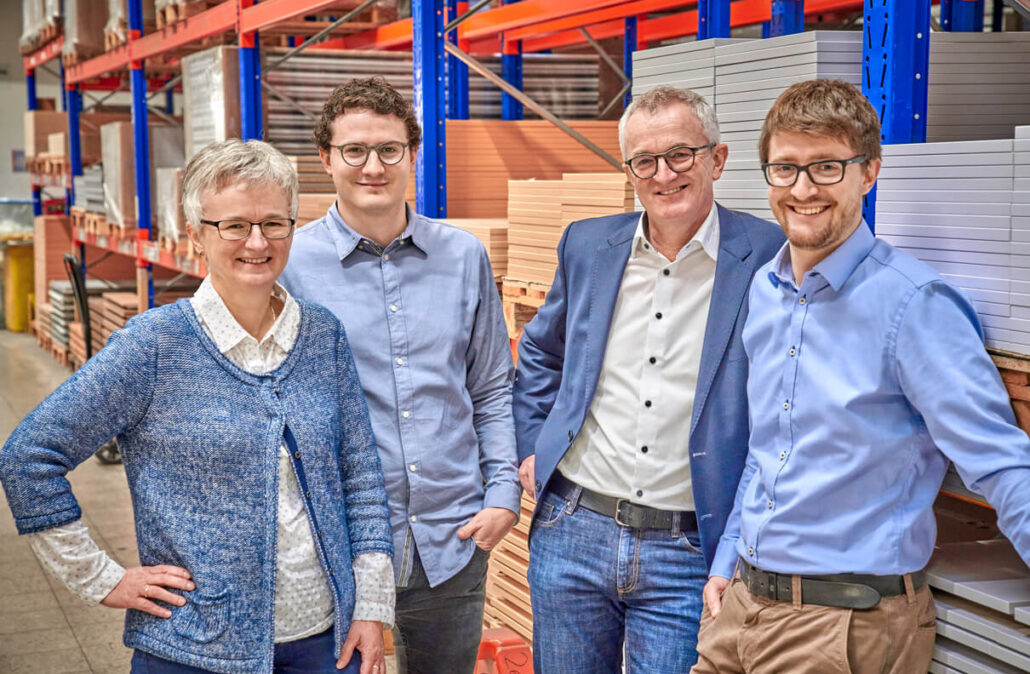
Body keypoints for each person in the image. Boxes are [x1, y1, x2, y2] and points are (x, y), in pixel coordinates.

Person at [0, 139, 394, 674]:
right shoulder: (155, 346)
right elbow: (28, 457)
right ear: (195, 235)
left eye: (273, 223)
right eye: (234, 225)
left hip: (326, 643)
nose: (257, 242)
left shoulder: (323, 335)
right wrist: (101, 578)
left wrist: (370, 606)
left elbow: (361, 476)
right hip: (195, 648)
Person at [692, 79, 1030, 674]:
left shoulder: (915, 305)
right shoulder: (766, 291)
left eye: (826, 167)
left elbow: (1000, 463)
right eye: (785, 168)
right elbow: (766, 451)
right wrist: (726, 563)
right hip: (740, 607)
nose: (802, 189)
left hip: (843, 627)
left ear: (869, 172)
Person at [511, 85, 785, 672]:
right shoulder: (587, 245)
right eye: (644, 161)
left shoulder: (767, 255)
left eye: (680, 154)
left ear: (717, 158)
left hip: (688, 548)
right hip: (572, 529)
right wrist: (532, 445)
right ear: (629, 170)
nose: (663, 175)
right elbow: (539, 352)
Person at [279, 77, 520, 674]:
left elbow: (491, 387)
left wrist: (502, 495)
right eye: (354, 150)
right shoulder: (290, 265)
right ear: (326, 159)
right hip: (337, 543)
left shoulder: (463, 256)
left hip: (454, 537)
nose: (373, 167)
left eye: (389, 149)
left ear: (413, 155)